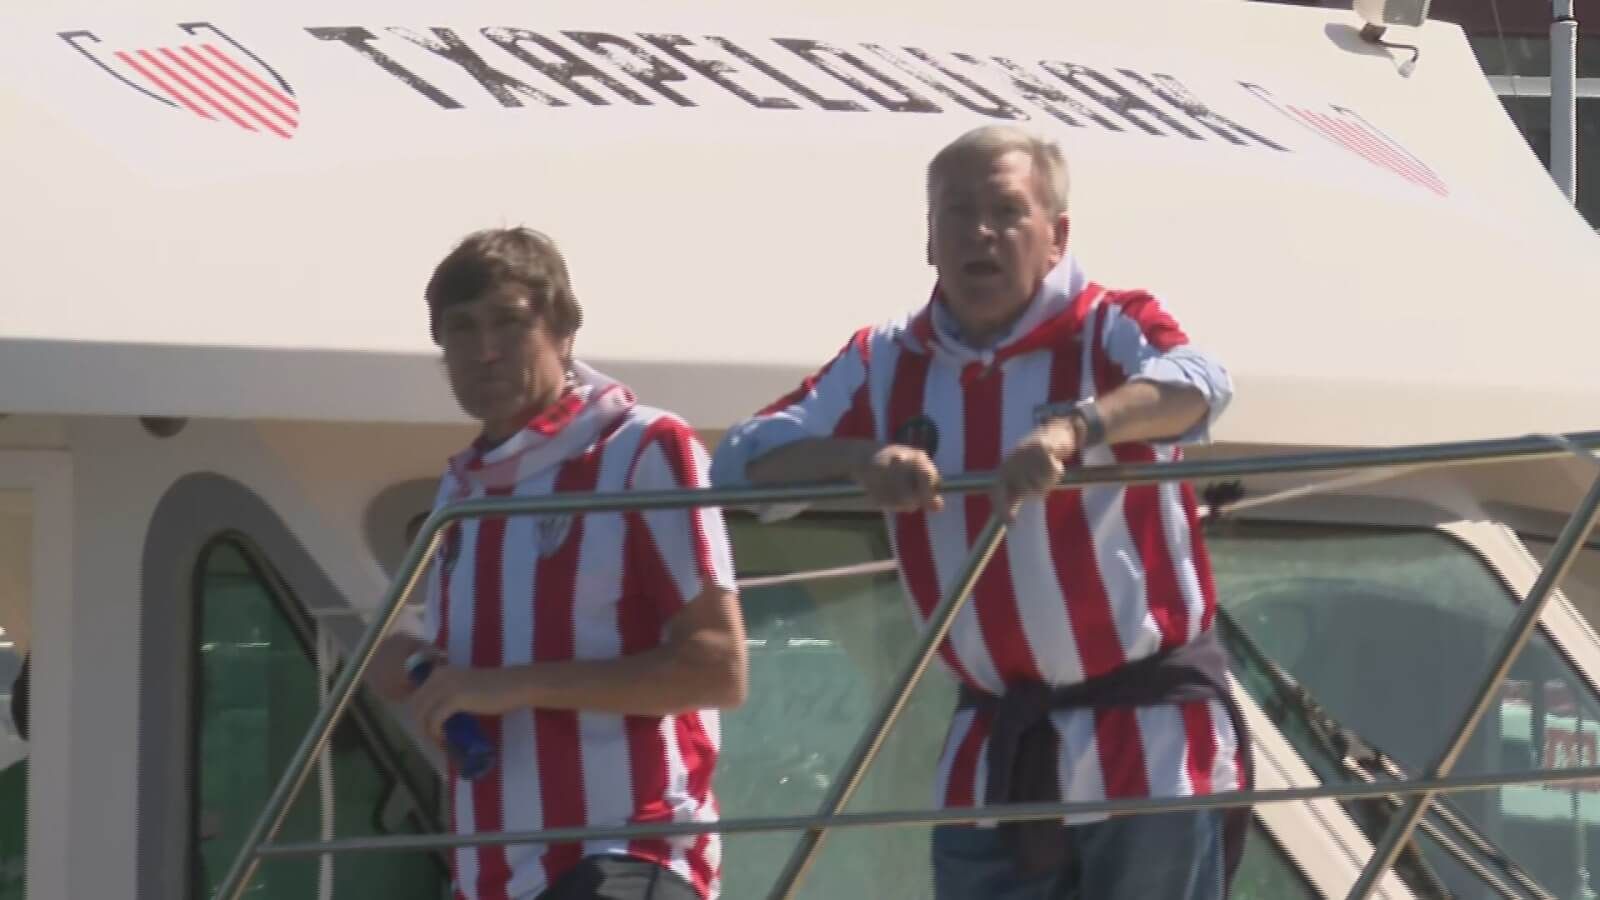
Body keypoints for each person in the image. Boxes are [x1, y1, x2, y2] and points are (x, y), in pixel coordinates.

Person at [710, 124, 1245, 899]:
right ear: (930, 239)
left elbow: (1203, 383)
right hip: (994, 757)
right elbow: (741, 462)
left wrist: (1077, 429)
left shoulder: (1108, 327)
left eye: (1005, 211)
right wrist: (859, 460)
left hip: (1151, 754)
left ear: (1056, 237)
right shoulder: (886, 359)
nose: (980, 234)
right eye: (957, 214)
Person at [369, 227, 747, 900]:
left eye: (509, 324)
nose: (484, 351)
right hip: (491, 878)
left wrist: (510, 685)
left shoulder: (643, 449)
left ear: (565, 331)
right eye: (460, 328)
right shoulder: (464, 487)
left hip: (625, 854)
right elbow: (456, 661)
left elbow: (718, 668)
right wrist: (412, 660)